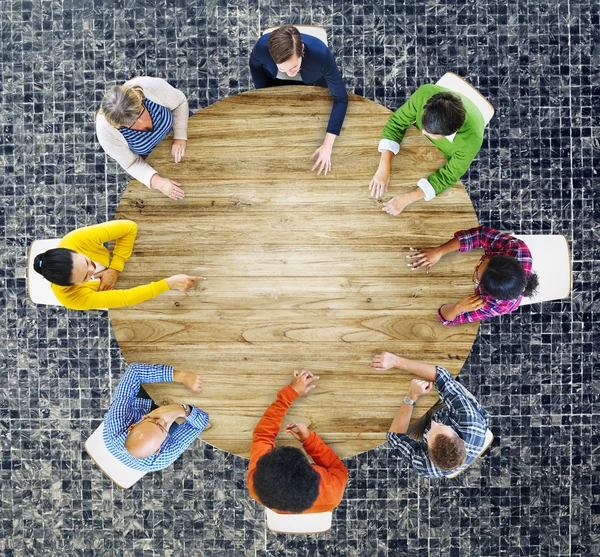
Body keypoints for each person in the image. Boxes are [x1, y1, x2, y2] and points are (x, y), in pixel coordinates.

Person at [33, 219, 205, 310]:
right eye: (86, 276)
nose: (92, 268)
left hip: (109, 259)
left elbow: (129, 227)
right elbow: (126, 298)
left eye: (86, 261)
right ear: (73, 285)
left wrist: (115, 267)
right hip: (103, 294)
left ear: (74, 251)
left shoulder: (75, 240)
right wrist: (169, 283)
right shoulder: (72, 299)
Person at [369, 84, 485, 216]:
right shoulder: (425, 93)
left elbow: (449, 175)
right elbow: (396, 123)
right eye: (423, 126)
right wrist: (384, 166)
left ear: (448, 134)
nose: (422, 132)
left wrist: (408, 198)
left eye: (431, 133)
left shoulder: (472, 140)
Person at [250, 25, 348, 176]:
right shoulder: (262, 47)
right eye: (284, 69)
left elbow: (341, 98)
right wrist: (265, 97)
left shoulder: (321, 55)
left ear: (301, 49)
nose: (290, 74)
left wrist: (327, 145)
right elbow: (255, 66)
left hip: (314, 81)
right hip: (275, 81)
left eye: (294, 67)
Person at [371, 352, 489, 478]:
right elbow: (442, 376)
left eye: (431, 432)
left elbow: (394, 437)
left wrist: (412, 396)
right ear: (461, 441)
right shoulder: (469, 420)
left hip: (440, 416)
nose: (433, 422)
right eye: (441, 426)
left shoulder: (425, 465)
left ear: (427, 451)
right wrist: (395, 361)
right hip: (450, 411)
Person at [247, 370, 348, 514]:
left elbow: (263, 435)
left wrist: (289, 394)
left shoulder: (258, 483)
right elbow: (338, 468)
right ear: (315, 475)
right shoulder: (332, 491)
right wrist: (310, 440)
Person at [407, 225, 538, 326]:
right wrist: (439, 251)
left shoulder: (493, 305)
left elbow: (447, 319)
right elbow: (481, 234)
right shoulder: (518, 249)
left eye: (476, 275)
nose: (475, 267)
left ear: (486, 291)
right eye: (482, 263)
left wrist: (458, 307)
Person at [102, 362, 209, 472]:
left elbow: (134, 371)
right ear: (158, 449)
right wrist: (181, 409)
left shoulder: (117, 420)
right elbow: (201, 423)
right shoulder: (162, 457)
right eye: (162, 428)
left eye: (154, 420)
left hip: (130, 416)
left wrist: (181, 376)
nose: (163, 418)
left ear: (132, 426)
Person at [96, 76, 190, 200]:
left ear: (140, 100)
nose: (140, 122)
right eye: (131, 123)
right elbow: (131, 163)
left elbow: (180, 102)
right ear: (119, 125)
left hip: (180, 129)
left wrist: (180, 136)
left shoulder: (150, 87)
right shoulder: (106, 132)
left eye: (140, 113)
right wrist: (158, 182)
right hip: (154, 161)